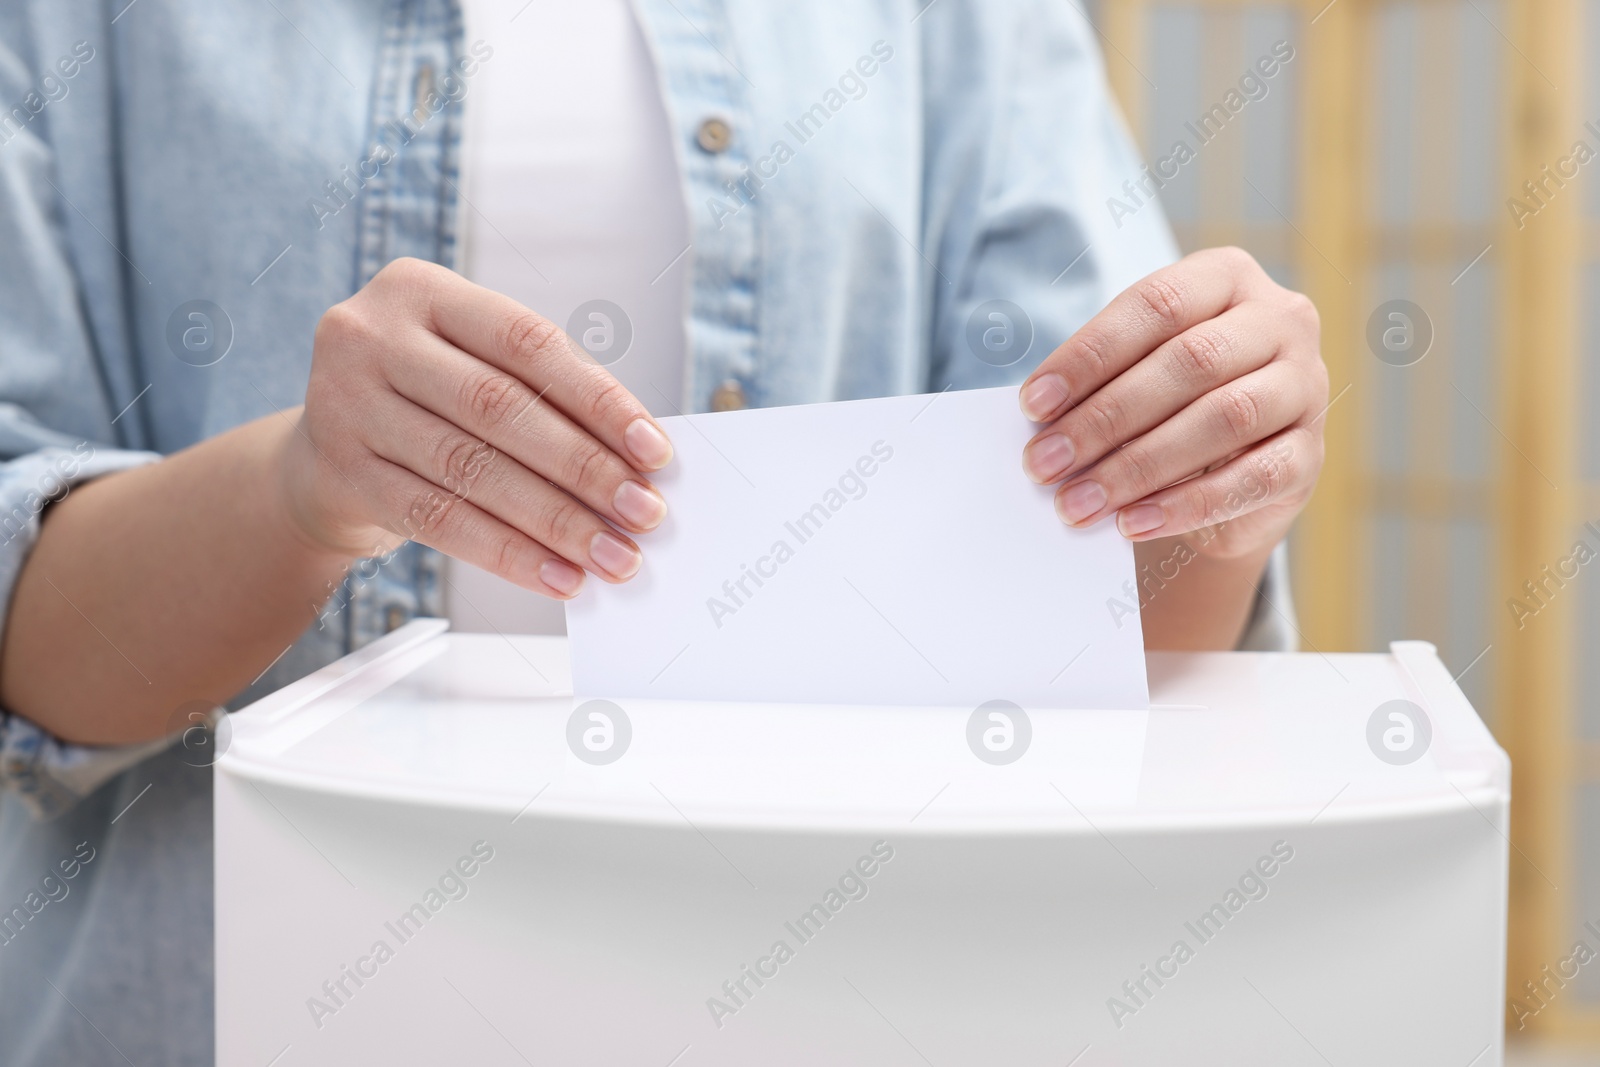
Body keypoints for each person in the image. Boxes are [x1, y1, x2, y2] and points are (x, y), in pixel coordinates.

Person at [0, 0, 1326, 1062]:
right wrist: (300, 487)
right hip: (212, 1006)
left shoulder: (957, 23)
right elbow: (30, 654)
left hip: (817, 999)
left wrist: (1219, 491)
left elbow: (1116, 602)